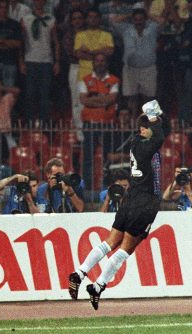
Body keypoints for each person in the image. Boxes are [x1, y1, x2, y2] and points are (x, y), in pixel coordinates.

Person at [68, 100, 164, 310]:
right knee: (126, 248)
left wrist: (155, 118)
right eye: (149, 128)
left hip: (132, 197)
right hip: (145, 201)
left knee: (111, 241)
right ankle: (99, 285)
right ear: (143, 129)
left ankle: (80, 273)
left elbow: (158, 135)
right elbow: (160, 136)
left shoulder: (137, 144)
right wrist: (153, 116)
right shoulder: (145, 145)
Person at [79, 53, 120, 192]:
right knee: (88, 157)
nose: (100, 63)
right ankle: (89, 189)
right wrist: (103, 100)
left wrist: (94, 99)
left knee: (108, 157)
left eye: (102, 60)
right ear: (93, 63)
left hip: (108, 123)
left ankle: (108, 186)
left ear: (106, 63)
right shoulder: (85, 80)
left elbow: (111, 99)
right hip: (90, 123)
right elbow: (84, 100)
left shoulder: (114, 80)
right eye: (97, 60)